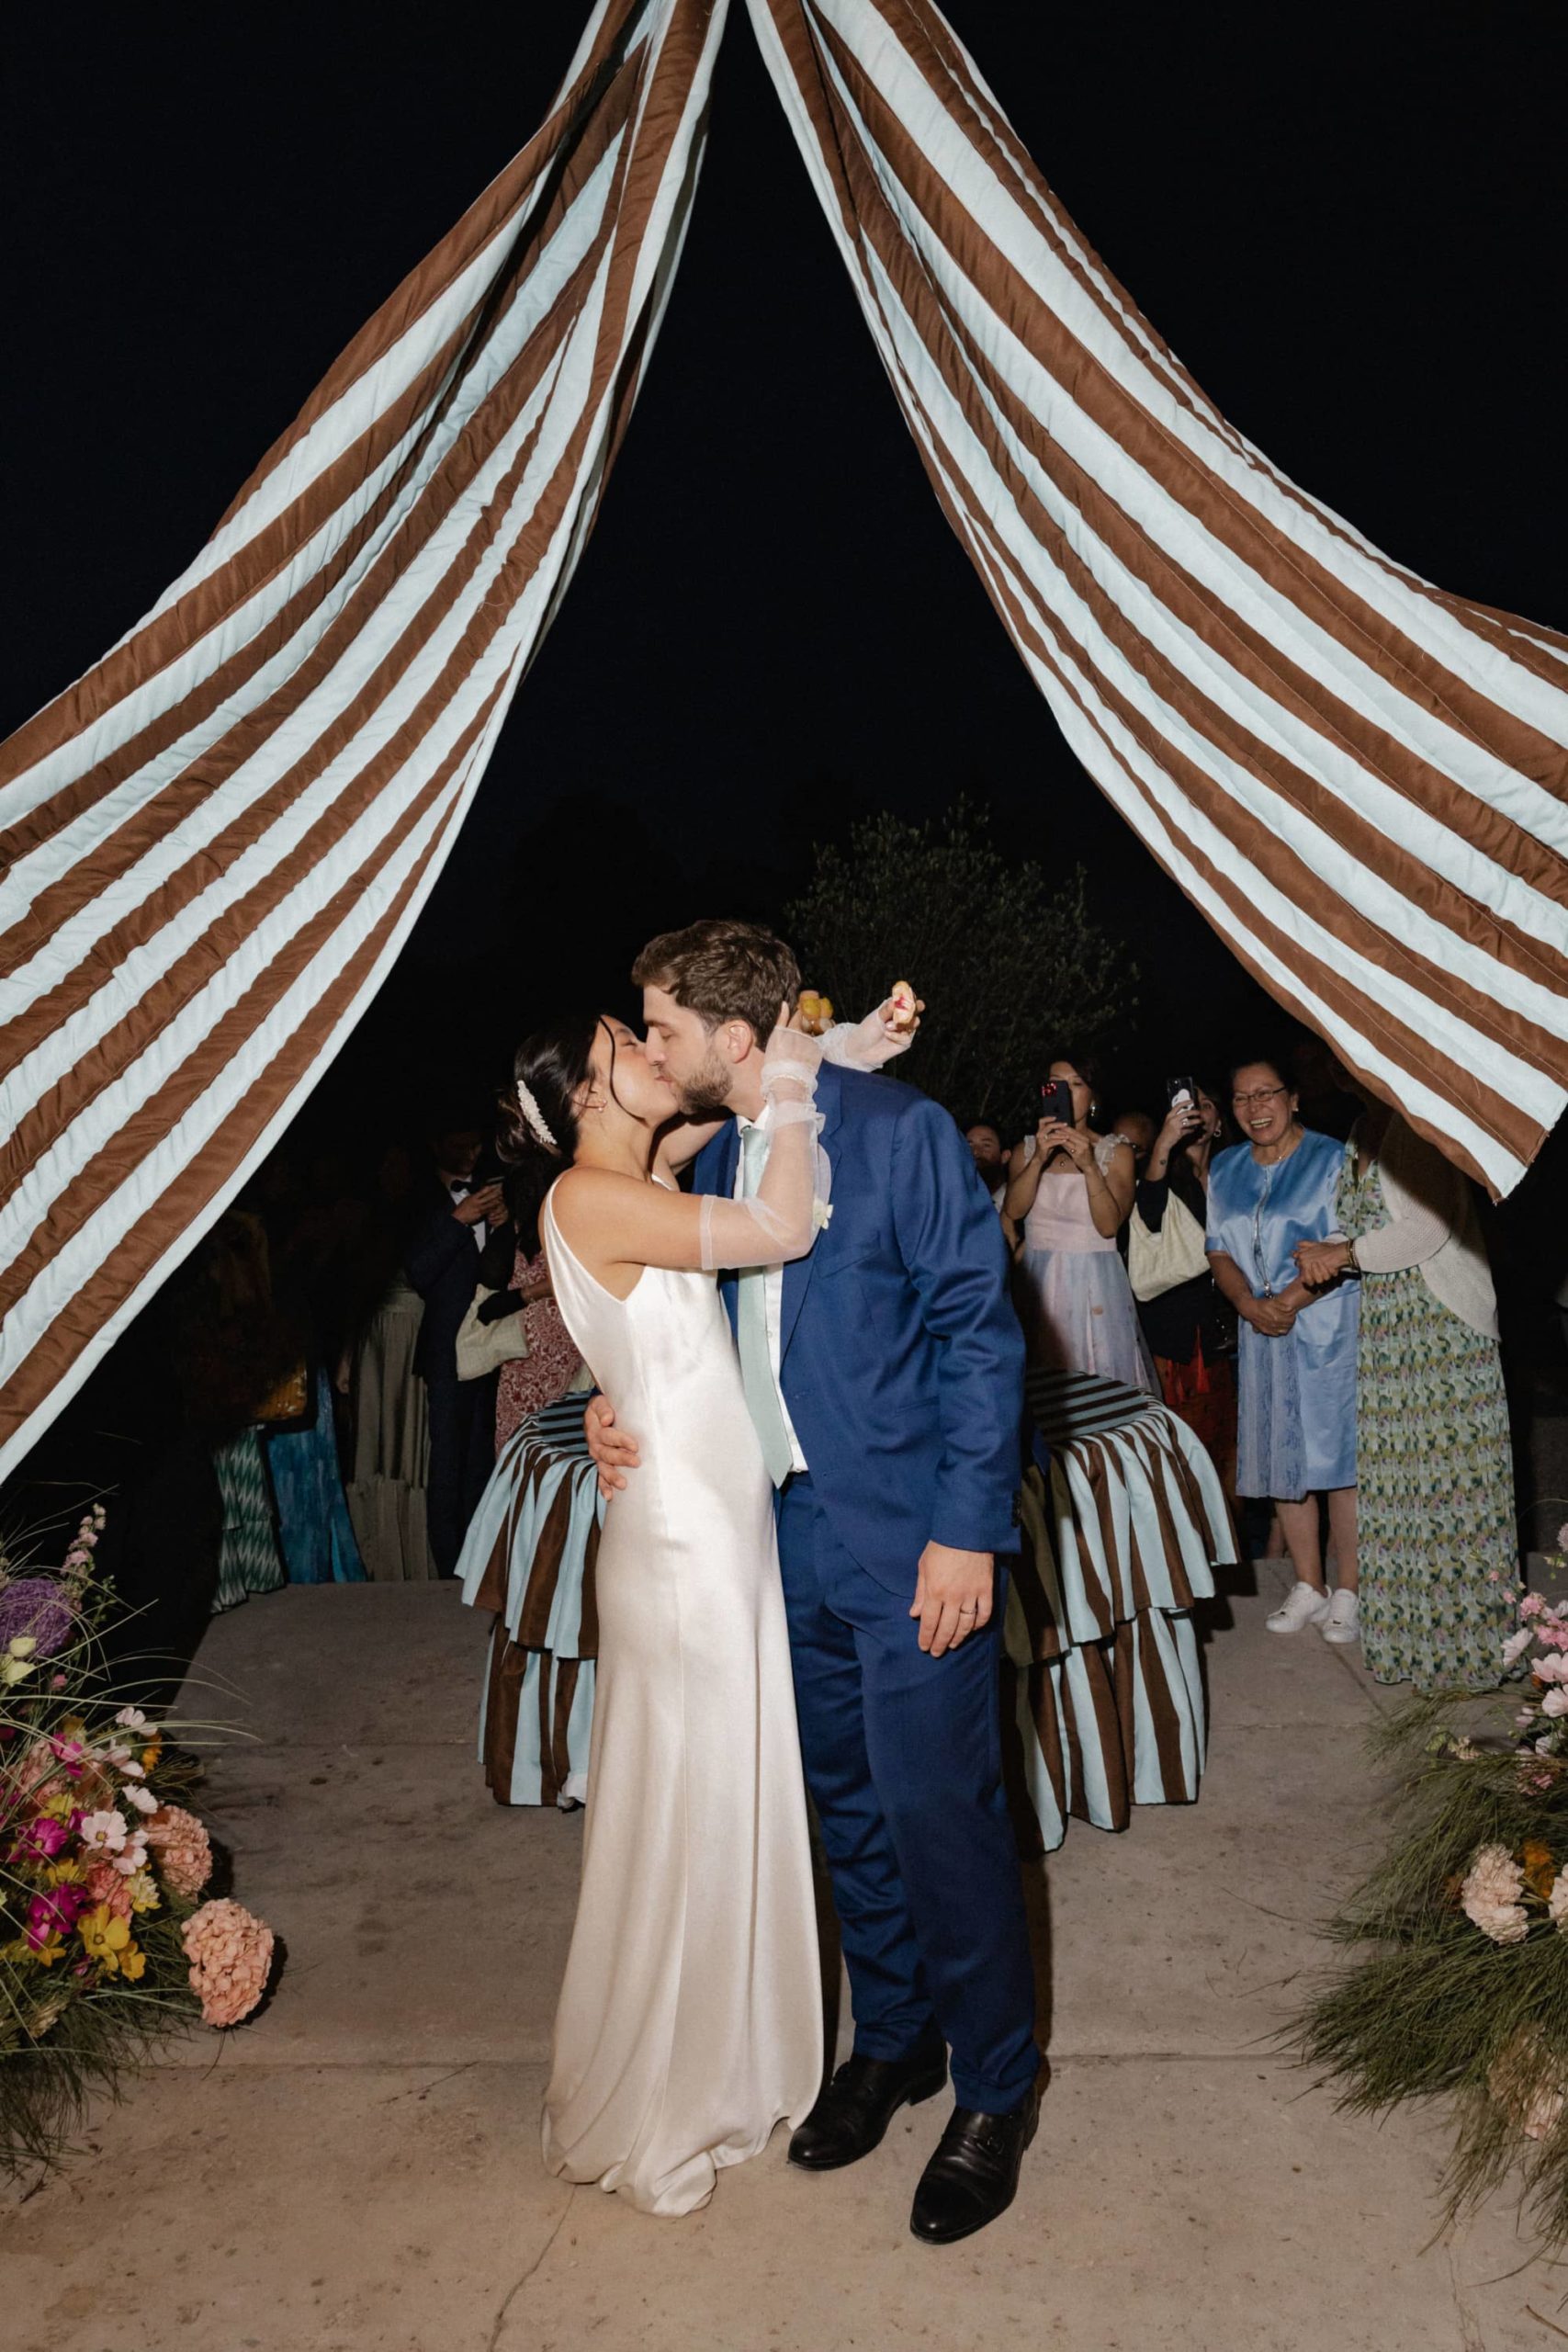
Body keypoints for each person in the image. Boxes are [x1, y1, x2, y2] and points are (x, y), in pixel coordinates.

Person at [589, 921, 1039, 2248]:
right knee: (842, 1807)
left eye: (664, 1028)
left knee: (939, 1813)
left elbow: (978, 1333)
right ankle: (890, 2042)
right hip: (765, 1547)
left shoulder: (898, 1133)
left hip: (910, 1549)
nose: (654, 1050)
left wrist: (965, 1533)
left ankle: (994, 2089)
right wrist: (613, 1418)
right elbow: (661, 1325)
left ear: (735, 1037)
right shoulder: (713, 1154)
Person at [511, 983, 909, 2221]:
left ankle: (727, 2052)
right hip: (682, 1549)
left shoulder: (635, 1170)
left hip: (711, 1532)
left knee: (722, 1797)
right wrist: (796, 1085)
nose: (643, 1050)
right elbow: (781, 1222)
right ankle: (671, 2093)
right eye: (619, 1046)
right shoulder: (588, 1193)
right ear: (583, 1093)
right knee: (690, 1814)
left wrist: (825, 1051)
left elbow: (717, 1110)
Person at [1293, 1085, 1519, 1690]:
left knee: (1451, 1489)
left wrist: (1339, 1252)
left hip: (1440, 1328)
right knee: (1403, 1489)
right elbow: (1357, 1223)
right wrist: (1323, 1253)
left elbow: (1425, 1230)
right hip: (1390, 1331)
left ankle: (1468, 1647)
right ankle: (1415, 1643)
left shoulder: (1419, 1127)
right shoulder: (1360, 1132)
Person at [1205, 1057, 1359, 1640]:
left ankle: (1350, 1590)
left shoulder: (1330, 1158)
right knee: (1282, 1460)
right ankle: (1308, 1585)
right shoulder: (1226, 1167)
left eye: (1267, 1093)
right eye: (1242, 1099)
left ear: (1294, 1099)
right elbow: (1218, 1248)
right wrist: (1248, 1305)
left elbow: (1347, 1243)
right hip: (1260, 1330)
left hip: (1325, 1325)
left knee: (1338, 1461)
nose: (1255, 1107)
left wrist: (1289, 1302)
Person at [1003, 1049, 1156, 1392]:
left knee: (1099, 1385)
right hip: (1037, 1283)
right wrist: (1039, 1158)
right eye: (1057, 1084)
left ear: (1091, 1096)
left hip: (1093, 1284)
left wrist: (1089, 1166)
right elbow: (1013, 1212)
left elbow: (1107, 1227)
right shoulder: (1025, 1150)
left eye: (1076, 1083)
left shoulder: (1115, 1151)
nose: (1066, 1092)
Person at [404, 1122, 508, 1577]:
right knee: (447, 1460)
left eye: (477, 1141)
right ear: (435, 1143)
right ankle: (448, 1569)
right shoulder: (415, 1200)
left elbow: (498, 1273)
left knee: (480, 1457)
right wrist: (456, 1221)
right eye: (461, 1140)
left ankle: (479, 1558)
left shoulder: (490, 1193)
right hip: (446, 1348)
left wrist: (507, 1227)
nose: (472, 1149)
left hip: (488, 1343)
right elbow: (418, 1274)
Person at [1132, 1081, 1238, 1499]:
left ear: (1218, 1123)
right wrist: (1163, 1143)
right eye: (1188, 1105)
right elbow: (1150, 1209)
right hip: (1179, 1334)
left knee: (1227, 1445)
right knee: (1183, 1448)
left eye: (1206, 1104)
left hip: (1229, 1324)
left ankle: (1230, 1546)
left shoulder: (1235, 1173)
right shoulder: (1165, 1175)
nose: (1197, 1111)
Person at [490, 1165, 584, 1450]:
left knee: (540, 1438)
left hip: (561, 1348)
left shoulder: (571, 1233)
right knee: (535, 1438)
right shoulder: (513, 1234)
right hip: (525, 1351)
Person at [965, 1120, 1020, 1252]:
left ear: (1005, 1156)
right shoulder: (953, 1203)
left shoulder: (1018, 1204)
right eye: (969, 1145)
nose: (975, 1152)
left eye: (986, 1146)